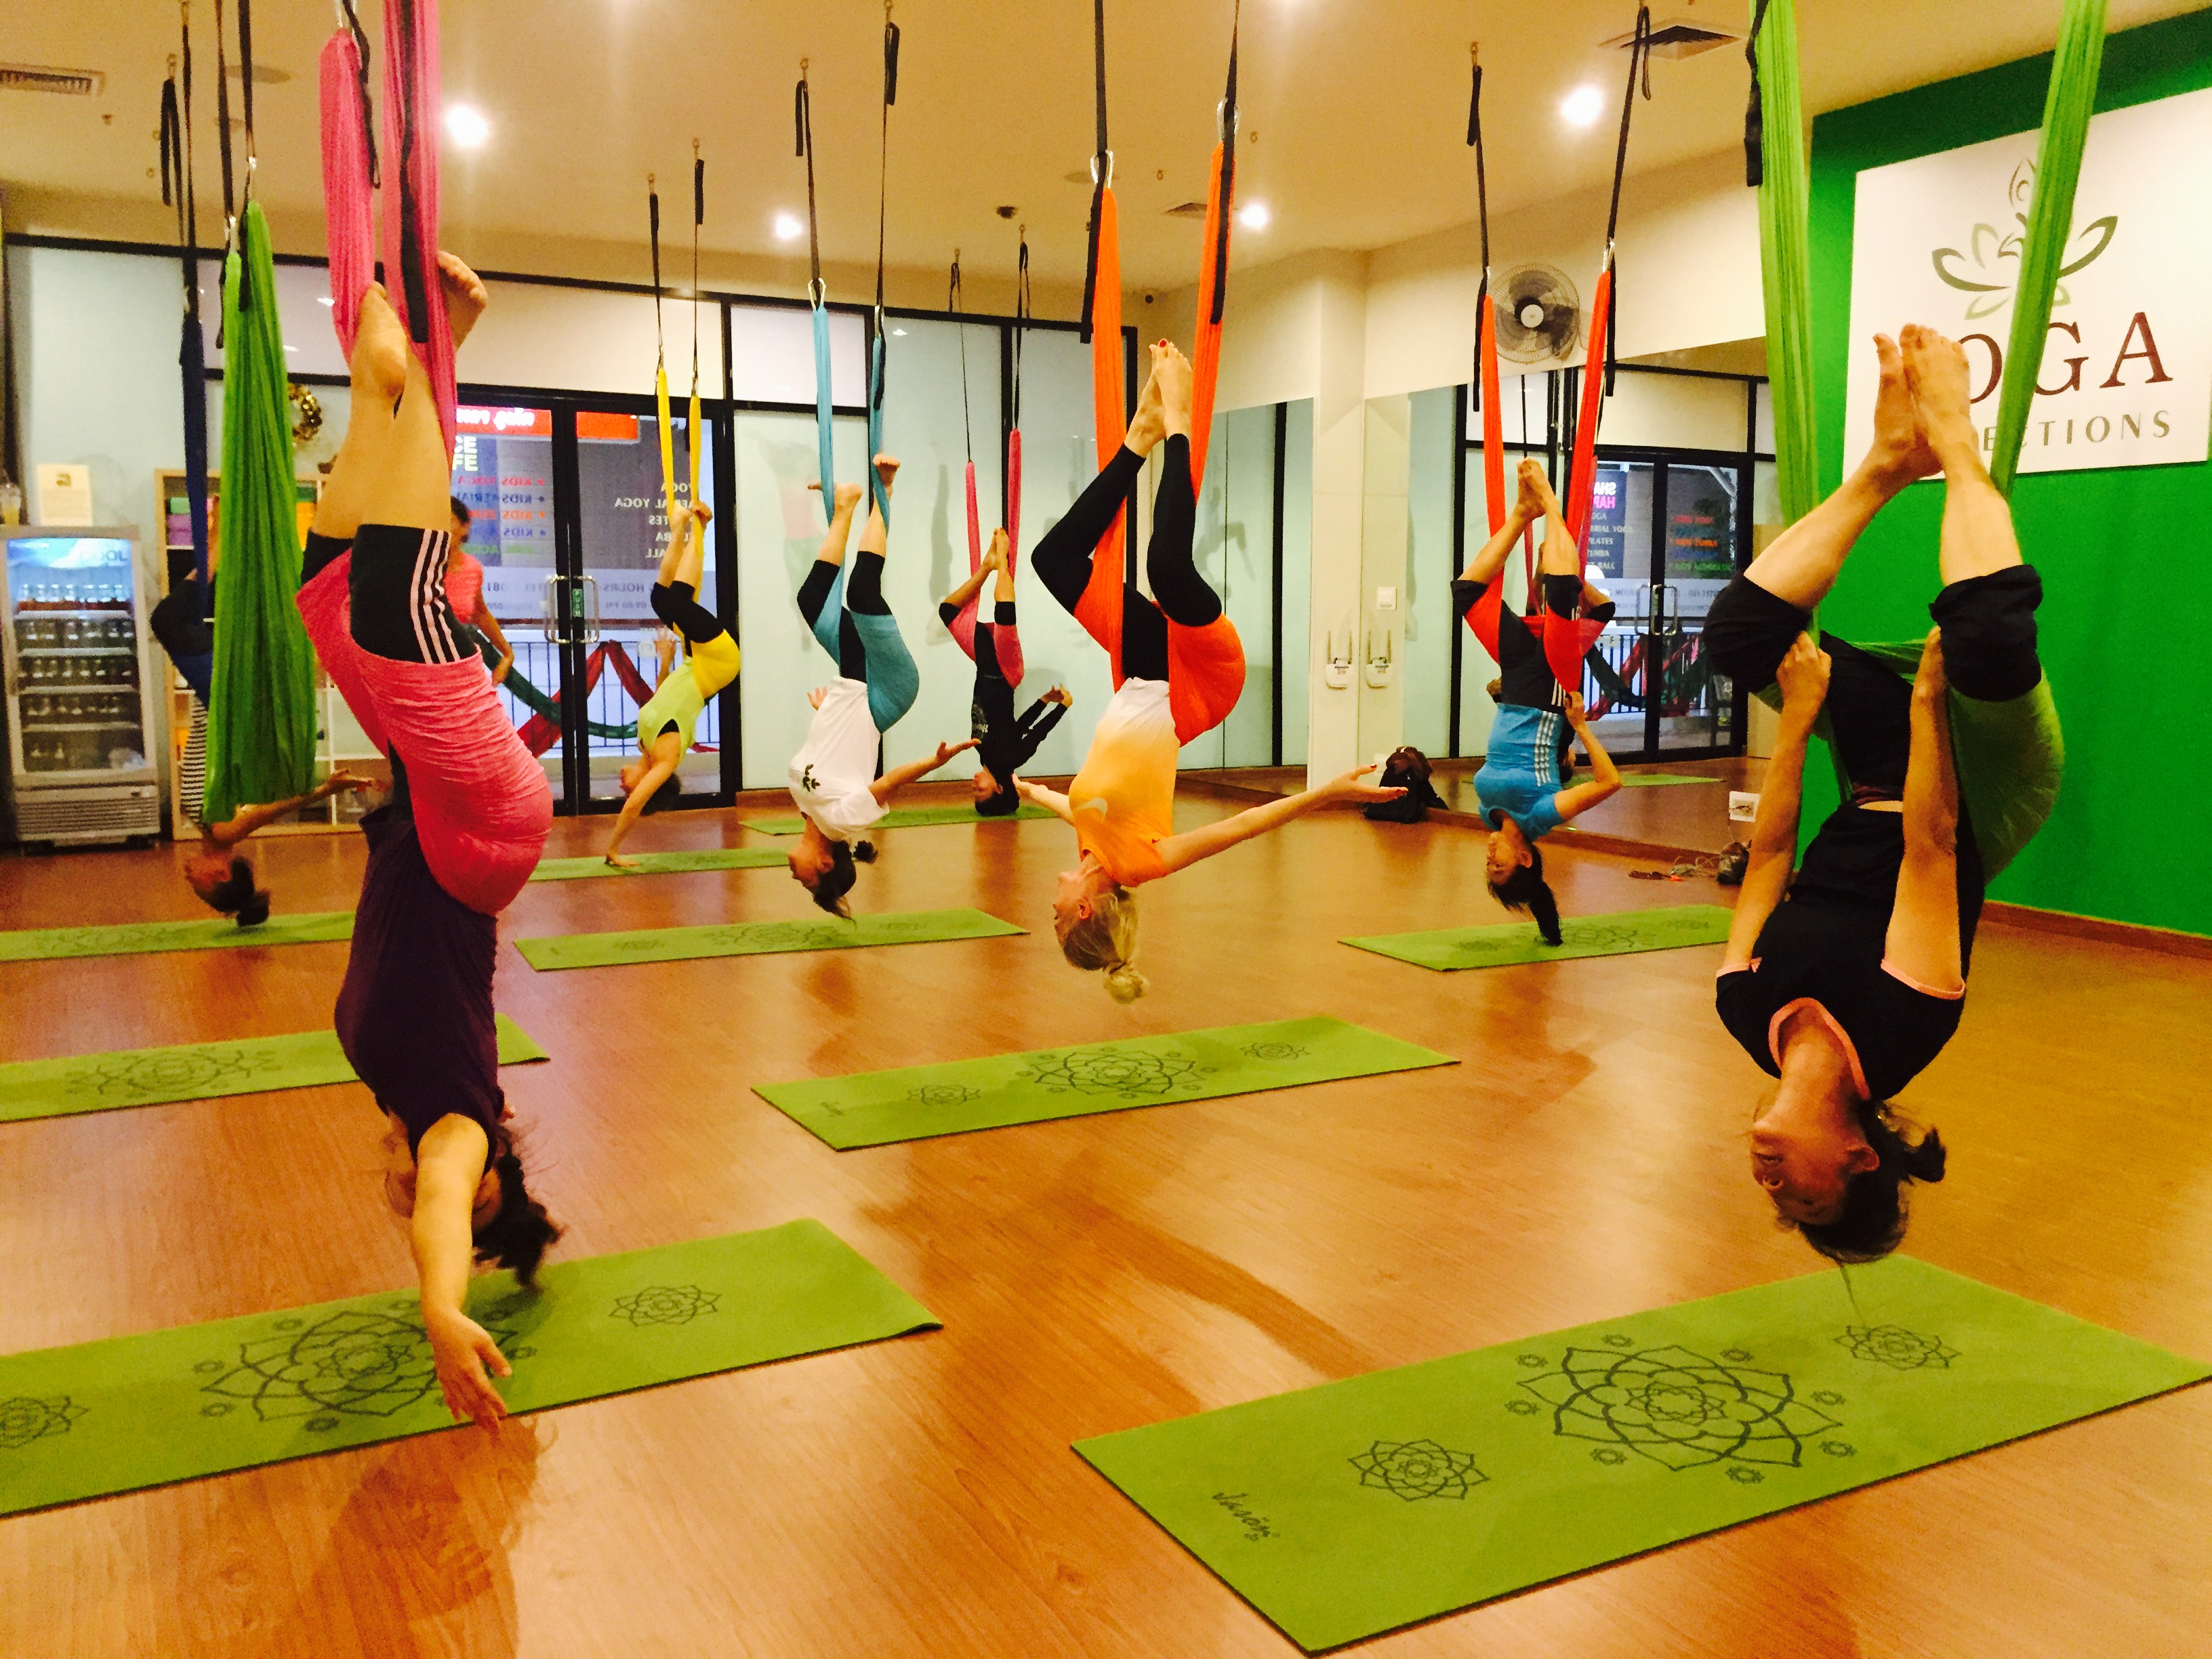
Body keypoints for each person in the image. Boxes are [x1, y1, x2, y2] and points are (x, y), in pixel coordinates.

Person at [1708, 325, 2044, 1264]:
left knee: (1738, 641)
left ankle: (1888, 467)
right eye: (1804, 1203)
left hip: (1867, 784)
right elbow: (1932, 844)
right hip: (1977, 788)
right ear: (1857, 1159)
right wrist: (1931, 700)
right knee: (1982, 634)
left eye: (1772, 1202)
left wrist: (1798, 716)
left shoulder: (1746, 1013)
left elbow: (1771, 856)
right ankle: (1958, 444)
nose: (1771, 1187)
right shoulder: (1908, 1025)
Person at [294, 253, 558, 1425]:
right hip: (488, 836)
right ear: (491, 1171)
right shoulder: (455, 1116)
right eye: (461, 1191)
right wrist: (440, 1307)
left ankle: (411, 365)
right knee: (400, 604)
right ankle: (413, 364)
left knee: (330, 591)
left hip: (436, 819)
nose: (415, 1189)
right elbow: (444, 1205)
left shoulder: (391, 1089)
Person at [1019, 342, 1404, 1000]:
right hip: (1199, 683)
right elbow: (1243, 827)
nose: (1050, 900)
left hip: (1142, 672)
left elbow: (1081, 807)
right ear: (1085, 908)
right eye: (1056, 914)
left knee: (1052, 560)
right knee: (1167, 570)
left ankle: (1137, 440)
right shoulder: (1143, 863)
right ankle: (1178, 424)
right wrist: (1328, 791)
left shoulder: (1092, 850)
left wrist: (1032, 792)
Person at [787, 460, 977, 914]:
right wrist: (933, 763)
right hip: (888, 690)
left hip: (852, 689)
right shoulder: (841, 821)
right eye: (809, 883)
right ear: (825, 865)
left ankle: (846, 506)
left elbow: (834, 755)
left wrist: (825, 712)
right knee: (862, 594)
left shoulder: (807, 807)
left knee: (812, 601)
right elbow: (888, 781)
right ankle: (884, 491)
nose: (797, 878)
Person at [1455, 459, 1624, 943]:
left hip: (1516, 685)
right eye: (1501, 869)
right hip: (1550, 689)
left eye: (1489, 870)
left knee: (1468, 594)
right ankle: (1550, 504)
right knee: (1560, 595)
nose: (1490, 861)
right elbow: (1610, 783)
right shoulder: (1541, 816)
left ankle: (1522, 514)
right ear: (1525, 858)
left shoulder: (1488, 813)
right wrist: (1583, 728)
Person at [605, 501, 733, 866]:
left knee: (662, 599)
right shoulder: (665, 759)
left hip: (694, 662)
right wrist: (614, 849)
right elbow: (634, 807)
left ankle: (690, 527)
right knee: (675, 601)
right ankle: (691, 527)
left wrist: (664, 660)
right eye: (627, 790)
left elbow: (663, 697)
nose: (623, 787)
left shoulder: (646, 740)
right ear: (652, 786)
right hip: (718, 663)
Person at [938, 526, 1072, 815]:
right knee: (1004, 614)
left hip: (984, 664)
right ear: (999, 788)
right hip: (1005, 670)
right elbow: (1034, 733)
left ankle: (987, 567)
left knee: (948, 612)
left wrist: (1044, 701)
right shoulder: (1011, 760)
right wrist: (1060, 708)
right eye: (981, 791)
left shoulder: (982, 752)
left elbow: (1015, 727)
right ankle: (1001, 562)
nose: (975, 785)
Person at [182, 770, 375, 924]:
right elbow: (276, 808)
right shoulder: (226, 832)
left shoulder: (208, 828)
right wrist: (329, 788)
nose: (188, 876)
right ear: (222, 874)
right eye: (197, 884)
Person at [443, 497, 514, 687]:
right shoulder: (418, 566)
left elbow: (480, 613)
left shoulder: (472, 568)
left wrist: (507, 654)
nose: (441, 529)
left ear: (465, 527)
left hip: (460, 666)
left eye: (448, 521)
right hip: (422, 667)